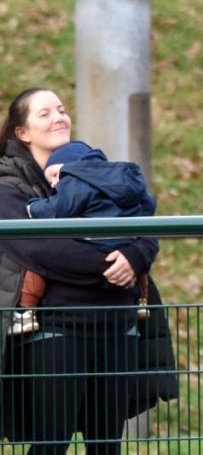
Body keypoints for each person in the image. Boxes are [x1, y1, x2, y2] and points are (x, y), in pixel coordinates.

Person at [0, 87, 159, 455]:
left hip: (117, 324)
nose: (59, 117)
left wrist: (134, 256)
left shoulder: (93, 169)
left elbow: (145, 227)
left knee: (107, 446)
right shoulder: (8, 188)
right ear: (22, 132)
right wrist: (115, 262)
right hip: (55, 328)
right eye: (44, 113)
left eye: (62, 109)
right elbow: (41, 251)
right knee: (50, 443)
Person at [8, 140, 157, 335]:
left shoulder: (75, 179)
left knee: (33, 270)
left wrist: (33, 207)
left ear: (72, 166)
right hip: (126, 241)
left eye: (54, 175)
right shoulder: (126, 178)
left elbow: (59, 208)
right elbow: (148, 206)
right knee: (139, 270)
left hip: (95, 242)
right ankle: (142, 302)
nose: (54, 184)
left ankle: (25, 312)